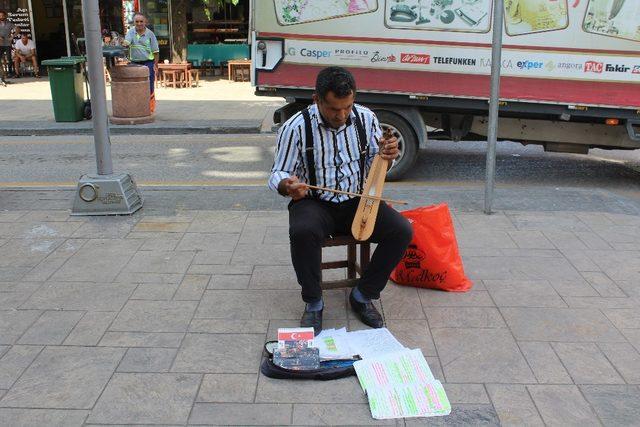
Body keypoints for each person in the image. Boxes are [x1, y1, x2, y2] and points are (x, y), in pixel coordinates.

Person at [268, 66, 413, 334]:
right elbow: (277, 172)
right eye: (335, 109)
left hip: (357, 200)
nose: (342, 115)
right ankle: (313, 302)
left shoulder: (365, 118)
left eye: (347, 107)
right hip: (315, 203)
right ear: (317, 100)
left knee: (402, 230)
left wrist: (386, 156)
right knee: (302, 231)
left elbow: (373, 163)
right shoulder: (296, 127)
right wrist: (286, 185)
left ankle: (363, 294)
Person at [122, 13, 159, 112]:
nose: (139, 23)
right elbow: (126, 43)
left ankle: (150, 108)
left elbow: (155, 51)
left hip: (148, 63)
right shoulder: (130, 32)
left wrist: (156, 65)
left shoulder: (150, 34)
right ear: (134, 22)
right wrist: (124, 43)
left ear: (145, 22)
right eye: (137, 21)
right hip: (134, 63)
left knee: (149, 85)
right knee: (134, 86)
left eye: (141, 21)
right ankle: (136, 107)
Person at [0, 10, 16, 85]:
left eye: (2, 15)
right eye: (0, 16)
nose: (1, 17)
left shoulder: (9, 24)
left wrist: (12, 36)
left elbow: (18, 29)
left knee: (9, 59)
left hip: (7, 44)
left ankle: (10, 73)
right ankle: (2, 77)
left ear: (5, 16)